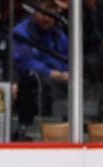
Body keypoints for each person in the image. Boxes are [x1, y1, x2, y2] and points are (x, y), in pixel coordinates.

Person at [12, 0, 68, 137]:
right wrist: (50, 73)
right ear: (35, 11)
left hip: (60, 82)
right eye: (43, 12)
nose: (46, 17)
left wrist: (68, 72)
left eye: (51, 13)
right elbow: (23, 62)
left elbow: (68, 56)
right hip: (31, 82)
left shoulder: (59, 34)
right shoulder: (21, 32)